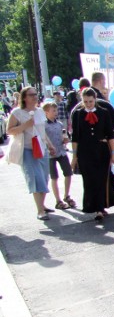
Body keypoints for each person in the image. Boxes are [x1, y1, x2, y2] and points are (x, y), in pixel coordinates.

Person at [7, 87, 57, 220]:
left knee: (44, 178)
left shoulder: (40, 111)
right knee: (36, 178)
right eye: (31, 95)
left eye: (36, 94)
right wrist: (25, 125)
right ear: (24, 97)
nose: (35, 97)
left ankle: (42, 205)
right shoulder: (17, 112)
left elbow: (42, 132)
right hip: (27, 150)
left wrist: (50, 145)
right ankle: (40, 210)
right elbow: (9, 130)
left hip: (41, 149)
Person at [69, 88, 114, 222]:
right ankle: (94, 206)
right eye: (85, 101)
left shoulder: (104, 113)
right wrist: (74, 156)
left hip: (101, 149)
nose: (88, 104)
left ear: (95, 99)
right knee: (89, 179)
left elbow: (110, 135)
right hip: (85, 151)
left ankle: (101, 207)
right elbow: (75, 137)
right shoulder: (78, 114)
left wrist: (113, 153)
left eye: (90, 101)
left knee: (101, 178)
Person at [42, 102, 75, 210]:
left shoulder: (59, 124)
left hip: (61, 151)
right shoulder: (43, 125)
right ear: (46, 112)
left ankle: (67, 195)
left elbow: (63, 136)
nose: (55, 113)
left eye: (56, 110)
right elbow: (43, 138)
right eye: (53, 111)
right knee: (54, 177)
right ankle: (58, 200)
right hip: (50, 155)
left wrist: (65, 140)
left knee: (68, 173)